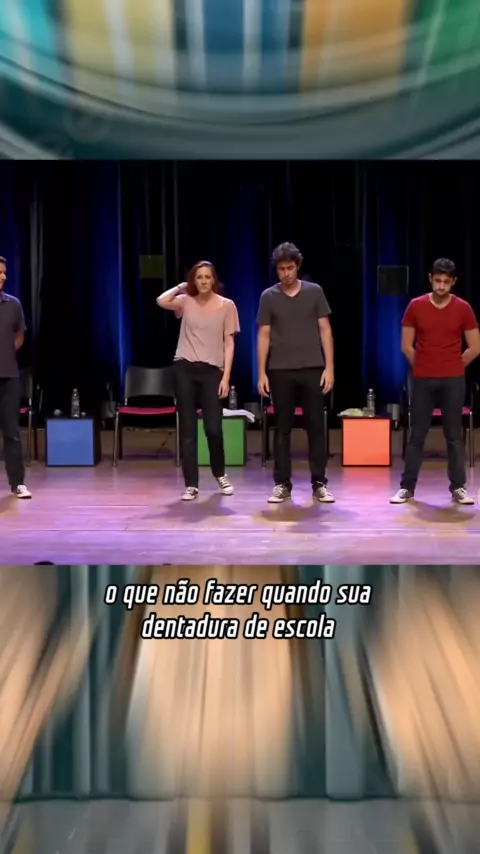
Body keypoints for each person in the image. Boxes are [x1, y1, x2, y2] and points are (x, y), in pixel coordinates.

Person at [391, 258, 480, 505]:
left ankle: (458, 487)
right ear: (430, 278)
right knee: (417, 435)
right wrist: (423, 365)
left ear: (453, 282)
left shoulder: (463, 308)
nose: (441, 286)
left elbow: (475, 347)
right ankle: (407, 487)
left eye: (446, 282)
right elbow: (406, 345)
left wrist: (454, 365)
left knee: (454, 435)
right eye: (437, 281)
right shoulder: (415, 306)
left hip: (453, 379)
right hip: (423, 379)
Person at [257, 242, 335, 504]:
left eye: (290, 268)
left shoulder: (314, 292)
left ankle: (319, 483)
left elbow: (325, 330)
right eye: (281, 269)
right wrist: (261, 372)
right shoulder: (268, 296)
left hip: (312, 368)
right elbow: (263, 335)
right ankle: (282, 483)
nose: (286, 273)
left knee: (315, 427)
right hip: (280, 370)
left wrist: (329, 367)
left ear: (297, 267)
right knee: (283, 428)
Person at [157, 261, 240, 501]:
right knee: (188, 430)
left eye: (207, 277)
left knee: (213, 428)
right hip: (184, 369)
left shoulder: (227, 306)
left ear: (214, 280)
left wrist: (226, 377)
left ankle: (220, 473)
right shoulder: (186, 301)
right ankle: (191, 484)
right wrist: (180, 287)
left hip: (212, 372)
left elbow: (229, 343)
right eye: (199, 277)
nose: (203, 281)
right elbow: (161, 301)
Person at [0, 256, 31, 499]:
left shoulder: (13, 304)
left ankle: (17, 483)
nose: (3, 276)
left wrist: (7, 353)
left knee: (11, 431)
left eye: (4, 272)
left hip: (9, 376)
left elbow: (19, 335)